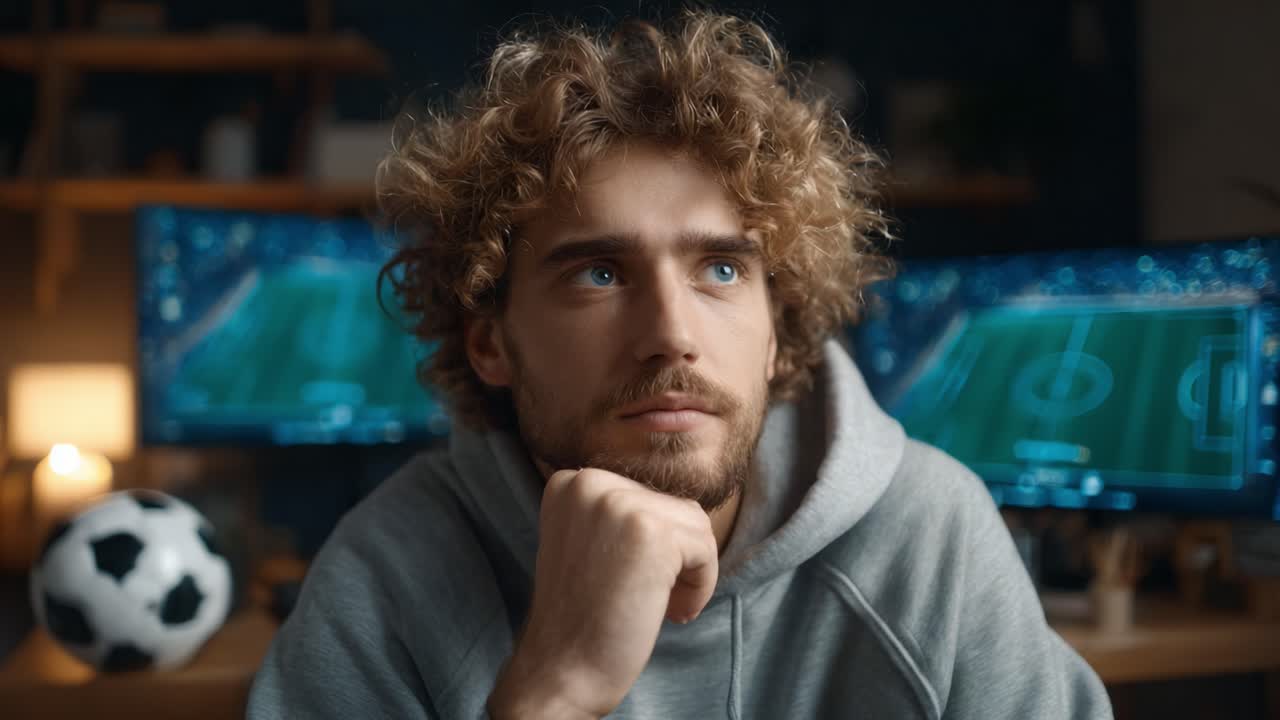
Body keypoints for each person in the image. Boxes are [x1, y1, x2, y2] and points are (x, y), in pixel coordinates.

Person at [248, 11, 1112, 719]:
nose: (671, 333)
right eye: (598, 272)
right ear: (491, 342)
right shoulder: (388, 573)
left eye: (723, 269)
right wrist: (555, 690)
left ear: (779, 330)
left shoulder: (929, 539)